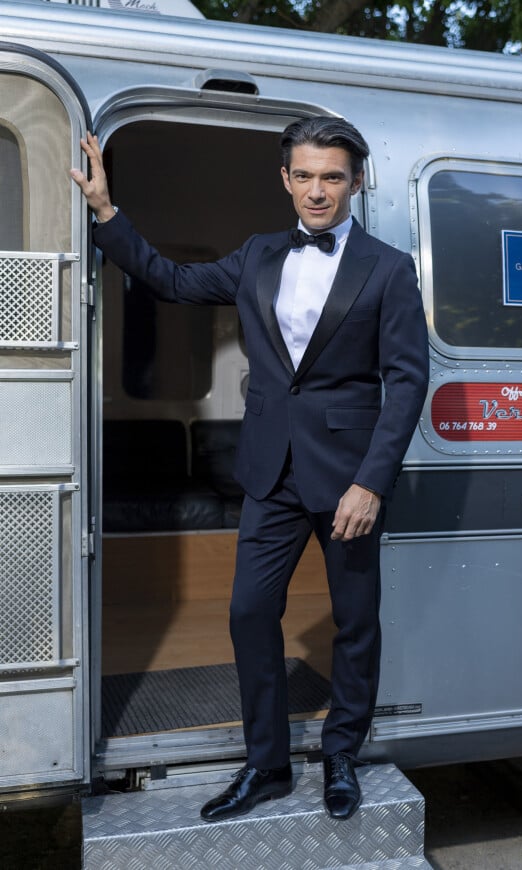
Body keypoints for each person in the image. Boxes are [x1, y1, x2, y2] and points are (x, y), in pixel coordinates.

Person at [71, 116, 429, 823]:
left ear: (355, 181)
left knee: (356, 624)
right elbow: (170, 279)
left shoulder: (388, 268)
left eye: (332, 176)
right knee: (248, 613)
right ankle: (265, 765)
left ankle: (341, 758)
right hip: (270, 472)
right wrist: (107, 214)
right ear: (285, 179)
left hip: (350, 479)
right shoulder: (258, 254)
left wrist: (371, 482)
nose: (317, 190)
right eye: (304, 175)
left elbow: (407, 381)